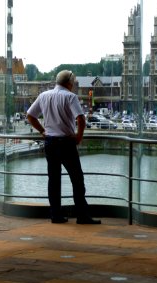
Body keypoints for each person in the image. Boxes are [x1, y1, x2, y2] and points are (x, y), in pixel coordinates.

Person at [26, 70, 101, 225]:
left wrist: (42, 131)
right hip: (66, 143)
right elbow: (80, 118)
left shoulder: (44, 96)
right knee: (77, 180)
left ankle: (56, 215)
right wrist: (78, 137)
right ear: (69, 83)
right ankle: (82, 216)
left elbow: (30, 116)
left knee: (53, 180)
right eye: (72, 83)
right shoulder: (70, 97)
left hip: (50, 142)